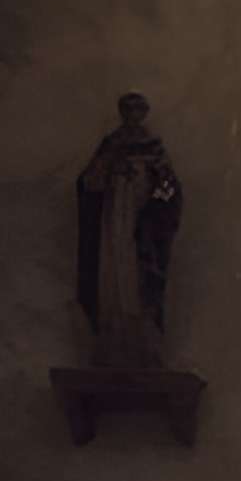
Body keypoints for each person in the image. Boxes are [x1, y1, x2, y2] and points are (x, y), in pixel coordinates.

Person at [77, 91, 182, 367]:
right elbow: (90, 183)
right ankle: (113, 339)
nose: (133, 117)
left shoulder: (153, 146)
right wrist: (110, 169)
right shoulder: (111, 144)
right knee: (113, 272)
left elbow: (169, 186)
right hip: (113, 220)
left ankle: (142, 342)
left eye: (138, 111)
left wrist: (154, 200)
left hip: (142, 222)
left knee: (139, 274)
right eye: (128, 111)